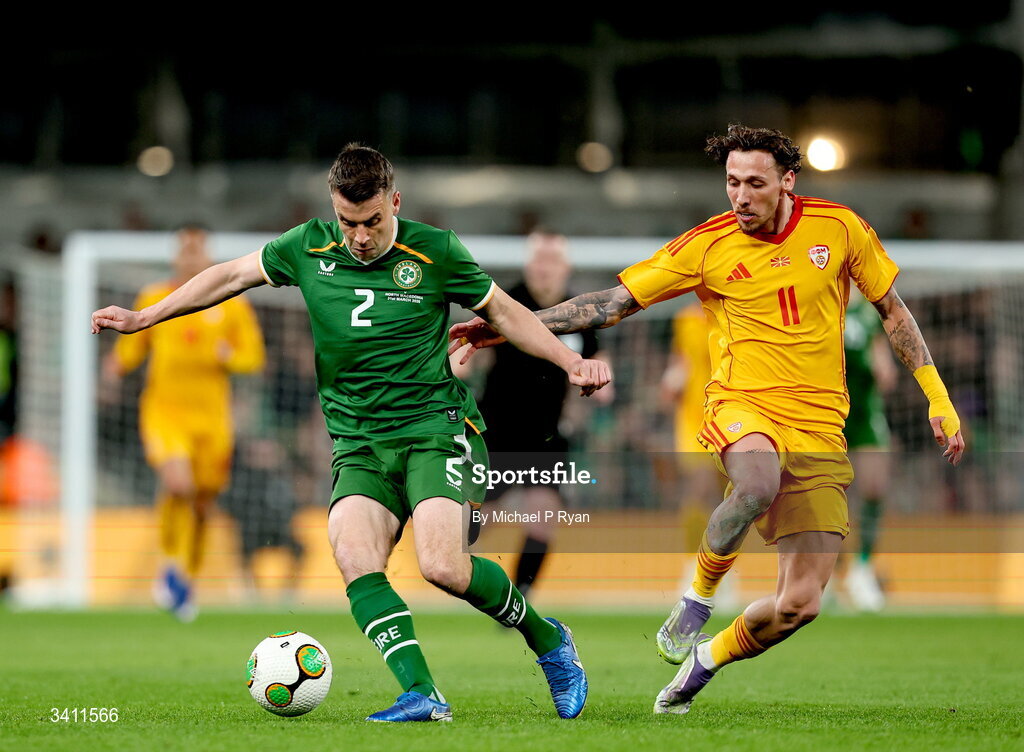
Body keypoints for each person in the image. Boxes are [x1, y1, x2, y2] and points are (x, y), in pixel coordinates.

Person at [450, 124, 965, 715]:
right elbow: (610, 304)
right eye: (731, 183)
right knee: (756, 481)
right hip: (740, 405)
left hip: (821, 427)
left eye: (754, 184)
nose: (740, 197)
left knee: (800, 604)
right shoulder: (707, 244)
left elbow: (893, 312)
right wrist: (506, 327)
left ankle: (707, 658)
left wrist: (938, 397)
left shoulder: (840, 229)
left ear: (787, 181)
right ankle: (697, 601)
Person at [92, 144, 610, 723]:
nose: (359, 237)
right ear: (332, 209)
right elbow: (230, 275)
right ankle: (422, 693)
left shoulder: (435, 250)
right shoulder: (307, 246)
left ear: (394, 202)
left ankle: (549, 641)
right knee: (353, 555)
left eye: (372, 222)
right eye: (347, 222)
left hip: (433, 430)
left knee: (441, 566)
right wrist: (145, 317)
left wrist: (570, 361)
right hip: (358, 443)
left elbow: (507, 313)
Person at [103, 226, 266, 620]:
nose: (190, 257)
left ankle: (185, 579)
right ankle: (168, 567)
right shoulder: (154, 298)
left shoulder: (231, 306)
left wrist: (229, 356)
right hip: (164, 412)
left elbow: (253, 358)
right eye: (184, 250)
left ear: (207, 256)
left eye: (197, 251)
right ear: (176, 256)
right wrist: (113, 370)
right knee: (177, 484)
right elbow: (132, 345)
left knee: (203, 504)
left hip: (213, 422)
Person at [460, 229, 609, 599]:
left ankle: (519, 595)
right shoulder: (505, 303)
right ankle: (460, 575)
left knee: (544, 517)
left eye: (552, 260)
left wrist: (603, 379)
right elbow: (468, 354)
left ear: (565, 267)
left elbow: (597, 357)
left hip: (545, 434)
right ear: (528, 264)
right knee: (472, 526)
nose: (545, 269)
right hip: (496, 430)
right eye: (539, 259)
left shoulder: (579, 311)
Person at [842, 289, 897, 611]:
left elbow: (883, 365)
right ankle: (833, 574)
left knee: (875, 486)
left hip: (864, 414)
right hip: (828, 412)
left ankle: (862, 568)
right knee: (827, 498)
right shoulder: (823, 303)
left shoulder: (867, 312)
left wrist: (883, 369)